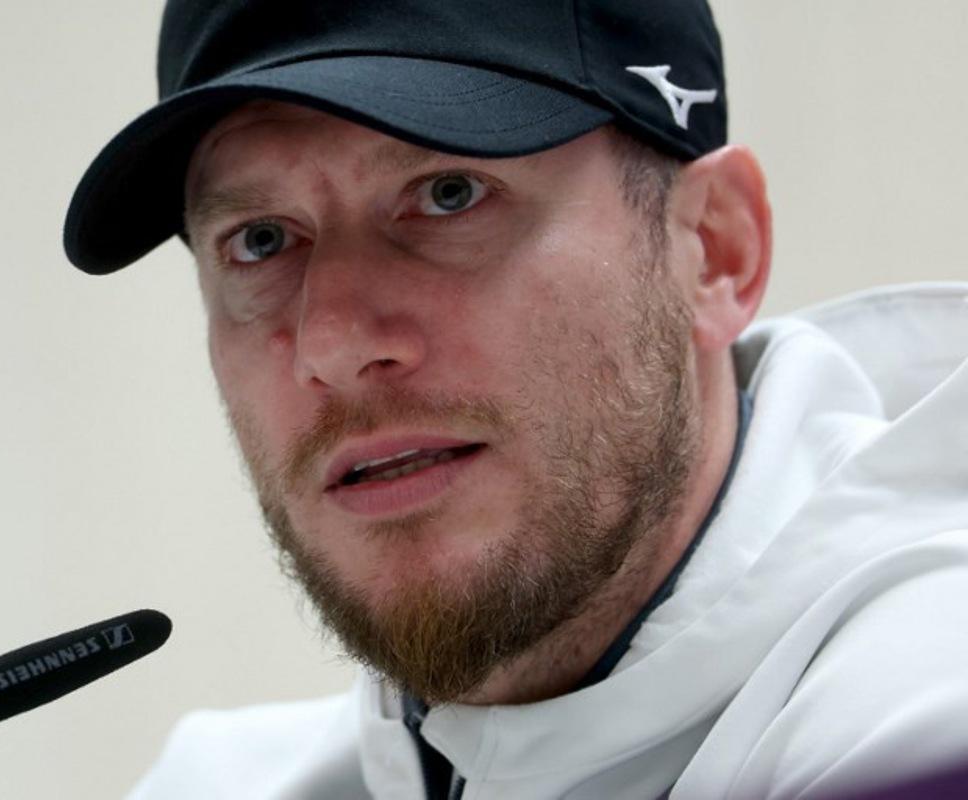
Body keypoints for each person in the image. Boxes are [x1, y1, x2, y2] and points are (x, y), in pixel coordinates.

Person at [63, 1, 968, 798]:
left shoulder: (921, 717)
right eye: (261, 240)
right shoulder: (229, 782)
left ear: (712, 249)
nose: (330, 343)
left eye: (448, 195)